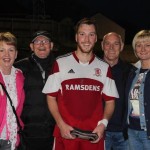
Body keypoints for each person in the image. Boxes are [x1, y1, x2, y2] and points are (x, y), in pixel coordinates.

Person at [42, 18, 119, 150]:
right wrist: (60, 124)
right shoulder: (60, 63)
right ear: (76, 37)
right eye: (82, 34)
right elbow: (50, 97)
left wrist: (103, 125)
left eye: (91, 35)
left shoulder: (104, 67)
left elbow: (110, 102)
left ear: (96, 39)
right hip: (66, 134)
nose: (87, 40)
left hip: (94, 136)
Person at [14, 31, 55, 150]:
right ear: (31, 46)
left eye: (45, 41)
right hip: (27, 131)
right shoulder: (19, 67)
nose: (41, 44)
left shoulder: (60, 67)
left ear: (51, 45)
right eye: (37, 41)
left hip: (52, 131)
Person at [101, 32, 131, 150]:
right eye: (108, 44)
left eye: (116, 44)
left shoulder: (131, 72)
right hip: (100, 131)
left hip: (123, 134)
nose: (111, 48)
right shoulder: (92, 69)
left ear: (122, 46)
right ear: (102, 45)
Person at [125, 30, 150, 150]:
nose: (143, 49)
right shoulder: (133, 72)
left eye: (147, 45)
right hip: (132, 130)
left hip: (148, 132)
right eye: (139, 45)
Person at [0, 32, 25, 150]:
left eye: (11, 50)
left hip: (11, 138)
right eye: (1, 50)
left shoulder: (19, 76)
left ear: (16, 54)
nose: (6, 54)